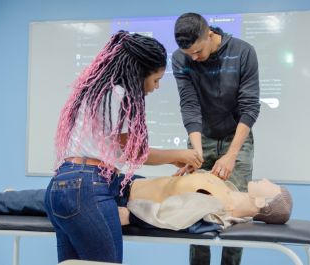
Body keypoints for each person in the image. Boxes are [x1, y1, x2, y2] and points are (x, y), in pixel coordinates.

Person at [44, 31, 203, 264]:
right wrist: (178, 154)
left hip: (59, 186)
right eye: (156, 80)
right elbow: (134, 152)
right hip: (88, 188)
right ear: (139, 73)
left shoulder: (93, 91)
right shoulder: (119, 94)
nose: (156, 87)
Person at [172, 12, 260, 265]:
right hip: (203, 135)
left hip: (236, 138)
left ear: (209, 34)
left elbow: (250, 107)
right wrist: (196, 152)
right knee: (196, 212)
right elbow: (189, 105)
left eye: (198, 52)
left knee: (235, 213)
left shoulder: (243, 52)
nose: (195, 58)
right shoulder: (181, 59)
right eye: (190, 55)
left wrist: (231, 155)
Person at [0, 172, 293, 231]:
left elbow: (168, 216)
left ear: (263, 199)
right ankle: (15, 198)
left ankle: (8, 200)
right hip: (123, 182)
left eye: (272, 185)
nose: (269, 179)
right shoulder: (227, 190)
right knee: (37, 196)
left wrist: (133, 217)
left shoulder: (217, 206)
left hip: (115, 196)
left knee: (35, 199)